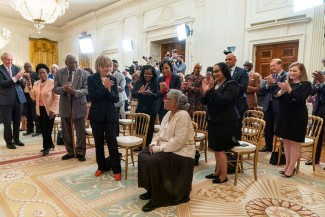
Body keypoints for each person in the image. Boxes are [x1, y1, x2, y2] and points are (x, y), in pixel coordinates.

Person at [138, 89, 195, 212]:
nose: (165, 100)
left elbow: (178, 142)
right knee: (143, 155)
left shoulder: (183, 115)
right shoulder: (168, 113)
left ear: (176, 103)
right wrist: (153, 144)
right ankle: (151, 190)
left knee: (154, 161)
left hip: (181, 152)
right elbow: (160, 132)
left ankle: (157, 199)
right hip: (166, 147)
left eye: (168, 99)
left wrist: (158, 149)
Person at [201, 62, 239, 184]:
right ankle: (217, 171)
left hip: (225, 121)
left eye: (218, 71)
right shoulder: (216, 84)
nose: (215, 73)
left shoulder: (232, 84)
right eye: (214, 71)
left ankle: (223, 175)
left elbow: (224, 101)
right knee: (215, 148)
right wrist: (205, 91)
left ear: (225, 71)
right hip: (214, 119)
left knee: (220, 149)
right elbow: (205, 102)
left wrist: (211, 89)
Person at [87, 54, 122, 181]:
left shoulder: (113, 78)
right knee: (99, 143)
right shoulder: (92, 79)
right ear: (99, 66)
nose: (107, 69)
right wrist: (104, 88)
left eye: (109, 66)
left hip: (110, 115)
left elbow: (115, 98)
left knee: (112, 142)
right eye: (105, 66)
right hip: (97, 116)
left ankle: (116, 169)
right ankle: (101, 167)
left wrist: (108, 90)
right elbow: (92, 97)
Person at [275, 62, 312, 177]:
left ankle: (291, 167)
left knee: (294, 142)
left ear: (301, 72)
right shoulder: (287, 83)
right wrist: (281, 91)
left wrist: (289, 90)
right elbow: (275, 97)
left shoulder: (306, 84)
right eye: (290, 70)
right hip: (284, 115)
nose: (291, 73)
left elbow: (300, 100)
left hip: (297, 117)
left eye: (294, 71)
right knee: (286, 141)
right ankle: (287, 165)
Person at [53, 54, 89, 161]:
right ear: (66, 63)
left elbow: (86, 89)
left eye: (75, 62)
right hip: (65, 105)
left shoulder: (84, 73)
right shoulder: (59, 73)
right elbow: (55, 89)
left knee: (80, 131)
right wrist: (63, 89)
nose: (74, 64)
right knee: (66, 131)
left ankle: (80, 152)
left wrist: (74, 91)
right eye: (71, 62)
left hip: (79, 105)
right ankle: (70, 152)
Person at [28, 64, 60, 156]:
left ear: (47, 73)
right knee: (42, 129)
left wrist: (53, 110)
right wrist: (30, 87)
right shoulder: (36, 83)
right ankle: (50, 144)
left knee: (47, 129)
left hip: (50, 110)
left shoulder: (53, 82)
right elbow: (33, 97)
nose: (42, 74)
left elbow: (57, 98)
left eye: (44, 73)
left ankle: (46, 147)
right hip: (39, 109)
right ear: (38, 74)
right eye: (40, 73)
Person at [259, 58, 287, 152]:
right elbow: (262, 90)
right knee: (268, 127)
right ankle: (268, 145)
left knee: (281, 127)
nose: (272, 68)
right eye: (271, 66)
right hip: (268, 104)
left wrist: (273, 83)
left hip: (279, 105)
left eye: (273, 65)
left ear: (280, 65)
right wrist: (267, 85)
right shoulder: (271, 76)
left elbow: (281, 89)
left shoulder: (286, 76)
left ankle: (282, 148)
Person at [0, 52, 26, 149]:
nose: (10, 61)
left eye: (11, 59)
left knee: (17, 121)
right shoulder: (0, 69)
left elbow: (22, 83)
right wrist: (16, 78)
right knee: (7, 122)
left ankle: (16, 139)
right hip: (5, 100)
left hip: (18, 98)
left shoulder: (16, 68)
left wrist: (22, 78)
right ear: (3, 60)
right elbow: (2, 83)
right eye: (7, 59)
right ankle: (9, 141)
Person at [132, 65, 158, 149]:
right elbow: (133, 94)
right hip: (140, 108)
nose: (148, 75)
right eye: (146, 73)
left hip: (151, 109)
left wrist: (151, 93)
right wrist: (139, 92)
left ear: (153, 74)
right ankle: (139, 145)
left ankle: (147, 146)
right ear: (143, 73)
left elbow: (158, 96)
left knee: (149, 129)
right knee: (139, 127)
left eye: (150, 74)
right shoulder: (139, 82)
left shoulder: (156, 82)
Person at [225, 53, 248, 140]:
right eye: (226, 59)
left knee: (236, 128)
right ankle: (227, 147)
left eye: (229, 59)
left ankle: (236, 149)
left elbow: (243, 87)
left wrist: (230, 85)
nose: (227, 61)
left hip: (238, 104)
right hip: (226, 104)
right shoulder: (223, 72)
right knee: (227, 128)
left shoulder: (242, 71)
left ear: (235, 60)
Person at [307, 58, 325, 168]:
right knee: (317, 134)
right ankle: (315, 158)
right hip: (318, 107)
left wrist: (323, 81)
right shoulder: (320, 74)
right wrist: (318, 83)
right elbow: (313, 91)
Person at [22, 62, 41, 137]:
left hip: (33, 95)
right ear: (24, 67)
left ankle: (38, 130)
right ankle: (30, 129)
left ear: (31, 67)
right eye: (26, 66)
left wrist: (28, 79)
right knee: (27, 113)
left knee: (35, 114)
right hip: (24, 96)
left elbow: (37, 83)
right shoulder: (21, 75)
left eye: (29, 67)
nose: (27, 68)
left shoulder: (36, 74)